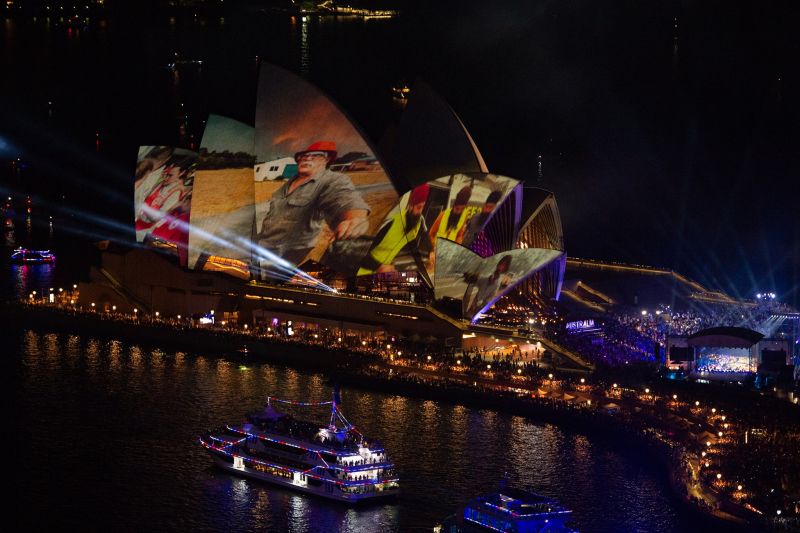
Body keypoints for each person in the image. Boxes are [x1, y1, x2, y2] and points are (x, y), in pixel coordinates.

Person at [257, 141, 369, 268]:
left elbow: (345, 197)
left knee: (270, 278)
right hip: (264, 242)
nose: (306, 158)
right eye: (302, 156)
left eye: (314, 155)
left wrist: (354, 218)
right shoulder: (291, 181)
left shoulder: (332, 180)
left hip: (288, 251)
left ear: (326, 159)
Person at [357, 183, 434, 275]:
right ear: (411, 205)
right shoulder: (391, 222)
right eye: (418, 207)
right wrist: (379, 266)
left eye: (423, 208)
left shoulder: (419, 221)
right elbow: (360, 252)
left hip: (384, 270)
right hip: (364, 271)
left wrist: (431, 251)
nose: (420, 212)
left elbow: (425, 235)